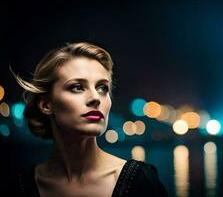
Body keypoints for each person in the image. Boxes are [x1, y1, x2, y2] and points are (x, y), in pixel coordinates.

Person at [11, 42, 168, 197]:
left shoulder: (140, 182)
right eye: (77, 87)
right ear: (46, 104)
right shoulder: (19, 185)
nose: (95, 98)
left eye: (102, 88)